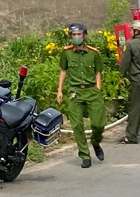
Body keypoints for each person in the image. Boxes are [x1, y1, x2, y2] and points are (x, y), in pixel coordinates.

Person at [58, 21, 106, 168]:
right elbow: (63, 71)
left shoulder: (93, 53)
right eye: (74, 35)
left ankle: (96, 142)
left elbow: (98, 72)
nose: (76, 37)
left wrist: (98, 88)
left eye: (79, 34)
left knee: (98, 124)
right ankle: (85, 155)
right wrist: (59, 90)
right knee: (77, 125)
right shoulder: (66, 53)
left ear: (84, 36)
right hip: (75, 92)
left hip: (92, 91)